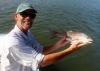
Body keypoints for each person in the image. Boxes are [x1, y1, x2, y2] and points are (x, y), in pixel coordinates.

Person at [0, 3, 86, 71]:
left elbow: (41, 51)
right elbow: (41, 62)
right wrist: (72, 49)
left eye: (32, 15)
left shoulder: (28, 33)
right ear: (16, 16)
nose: (28, 17)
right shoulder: (12, 41)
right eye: (24, 14)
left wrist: (59, 44)